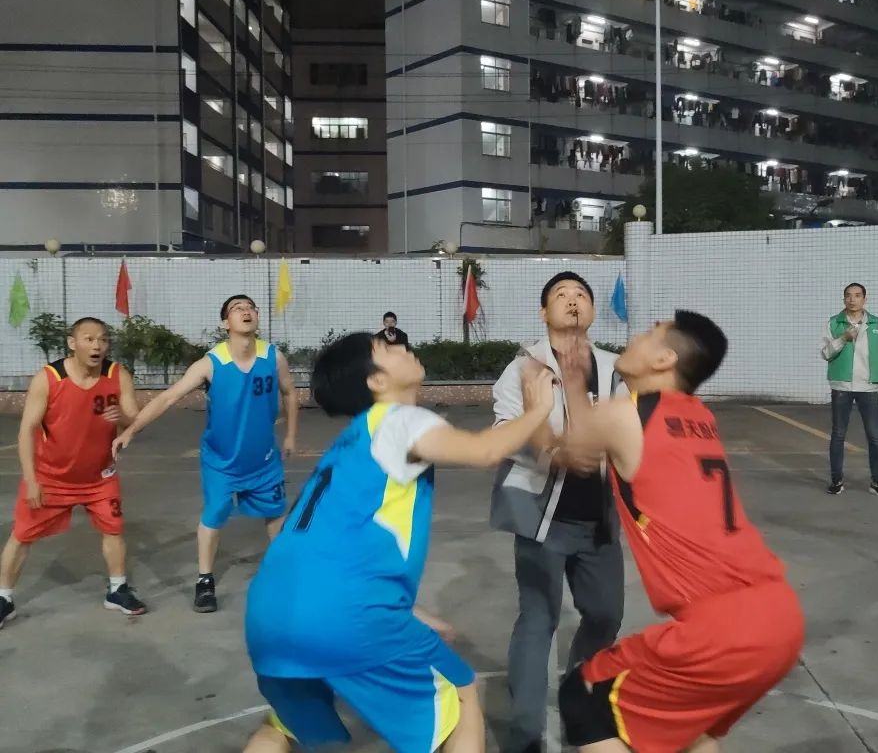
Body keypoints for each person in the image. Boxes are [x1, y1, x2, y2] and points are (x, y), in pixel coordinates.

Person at [241, 332, 557, 753]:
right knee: (459, 692)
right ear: (376, 381)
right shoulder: (399, 420)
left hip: (270, 612)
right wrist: (538, 410)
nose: (402, 346)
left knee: (283, 726)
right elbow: (483, 451)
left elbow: (313, 540)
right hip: (344, 614)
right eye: (387, 349)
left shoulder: (348, 446)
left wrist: (407, 609)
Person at [547, 311, 804, 753]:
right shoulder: (699, 416)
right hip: (779, 617)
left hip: (722, 630)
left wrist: (566, 383)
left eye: (650, 333)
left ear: (664, 359)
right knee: (685, 732)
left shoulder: (626, 416)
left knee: (583, 696)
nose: (636, 336)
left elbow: (573, 450)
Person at [490, 271, 626, 753]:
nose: (573, 301)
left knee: (606, 614)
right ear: (543, 312)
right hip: (540, 518)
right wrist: (552, 446)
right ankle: (526, 734)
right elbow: (506, 433)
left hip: (598, 519)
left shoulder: (613, 370)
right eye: (561, 295)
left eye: (581, 294)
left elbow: (627, 432)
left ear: (592, 310)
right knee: (538, 618)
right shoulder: (523, 369)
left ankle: (578, 698)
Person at [112, 295, 298, 613]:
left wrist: (292, 434)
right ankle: (205, 581)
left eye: (250, 308)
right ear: (225, 323)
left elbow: (290, 392)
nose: (246, 311)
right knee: (214, 516)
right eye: (237, 309)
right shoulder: (211, 363)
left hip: (263, 459)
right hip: (222, 462)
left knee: (276, 513)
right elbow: (168, 398)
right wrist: (132, 429)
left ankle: (284, 574)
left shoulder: (272, 356)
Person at [0, 317, 146, 627]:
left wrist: (122, 417)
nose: (97, 346)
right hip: (51, 477)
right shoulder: (49, 378)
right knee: (22, 535)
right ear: (72, 343)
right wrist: (31, 480)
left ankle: (117, 590)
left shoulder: (117, 374)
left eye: (103, 339)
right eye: (89, 339)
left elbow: (135, 419)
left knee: (114, 530)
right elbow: (26, 430)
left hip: (99, 477)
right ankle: (4, 598)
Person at [820, 282, 878, 497]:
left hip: (868, 387)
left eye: (857, 295)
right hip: (841, 386)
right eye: (848, 295)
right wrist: (843, 338)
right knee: (838, 434)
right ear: (843, 299)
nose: (852, 299)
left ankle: (877, 482)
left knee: (875, 436)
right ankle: (836, 481)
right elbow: (825, 353)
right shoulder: (834, 323)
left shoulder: (874, 324)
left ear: (864, 299)